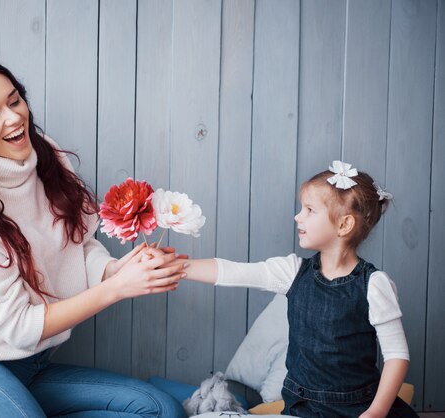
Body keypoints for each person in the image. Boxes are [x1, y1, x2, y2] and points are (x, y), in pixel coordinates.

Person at [0, 57, 188, 418]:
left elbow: (78, 245)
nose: (13, 118)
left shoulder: (47, 158)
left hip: (34, 366)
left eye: (14, 100)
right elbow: (22, 327)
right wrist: (117, 289)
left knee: (162, 409)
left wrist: (117, 270)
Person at [179, 161, 418, 417]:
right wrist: (178, 266)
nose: (298, 216)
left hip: (358, 408)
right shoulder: (293, 271)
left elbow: (396, 355)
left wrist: (376, 412)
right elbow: (233, 271)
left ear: (344, 225)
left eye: (309, 210)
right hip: (302, 408)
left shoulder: (374, 283)